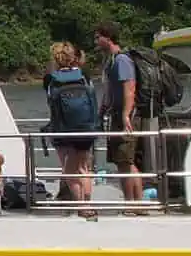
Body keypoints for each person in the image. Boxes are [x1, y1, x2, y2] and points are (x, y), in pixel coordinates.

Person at [94, 21, 146, 213]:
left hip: (126, 116)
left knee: (127, 160)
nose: (96, 41)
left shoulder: (122, 60)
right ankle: (129, 203)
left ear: (108, 37)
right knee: (120, 161)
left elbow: (129, 87)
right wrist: (101, 112)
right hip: (115, 115)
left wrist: (125, 115)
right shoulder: (111, 61)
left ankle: (136, 205)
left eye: (98, 36)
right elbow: (109, 90)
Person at [43, 41, 97, 218]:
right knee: (83, 168)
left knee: (69, 170)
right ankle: (88, 203)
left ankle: (82, 207)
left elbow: (50, 101)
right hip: (86, 128)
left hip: (62, 130)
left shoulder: (51, 79)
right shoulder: (84, 76)